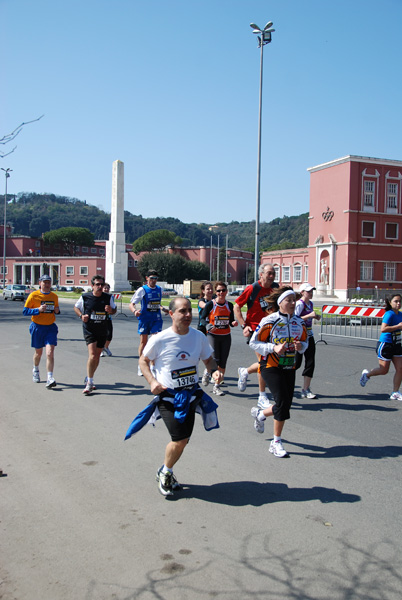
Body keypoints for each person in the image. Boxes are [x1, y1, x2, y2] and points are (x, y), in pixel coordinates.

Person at [124, 297, 222, 497]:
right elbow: (143, 361)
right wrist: (152, 381)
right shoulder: (160, 339)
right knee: (179, 439)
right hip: (168, 397)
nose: (187, 315)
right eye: (182, 311)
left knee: (184, 440)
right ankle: (165, 472)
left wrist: (214, 372)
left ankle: (165, 470)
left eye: (189, 311)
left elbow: (209, 360)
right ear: (171, 314)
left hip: (190, 395)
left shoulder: (198, 337)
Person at [249, 287, 308, 458]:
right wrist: (272, 347)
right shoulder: (269, 320)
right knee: (282, 401)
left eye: (293, 300)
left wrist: (300, 347)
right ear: (280, 303)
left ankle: (261, 414)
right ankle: (276, 442)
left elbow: (306, 343)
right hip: (270, 366)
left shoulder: (299, 322)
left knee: (285, 404)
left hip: (289, 366)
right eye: (288, 300)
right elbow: (254, 342)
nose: (292, 303)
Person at [234, 263, 277, 408]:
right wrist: (243, 325)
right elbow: (237, 306)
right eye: (269, 273)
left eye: (273, 273)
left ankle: (244, 371)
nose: (271, 276)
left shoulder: (275, 288)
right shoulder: (253, 288)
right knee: (264, 362)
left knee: (267, 361)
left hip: (271, 329)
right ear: (261, 275)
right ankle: (262, 395)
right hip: (255, 330)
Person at [74, 275, 117, 395]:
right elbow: (76, 307)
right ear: (92, 286)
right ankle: (89, 382)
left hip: (102, 329)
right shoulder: (85, 297)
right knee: (92, 355)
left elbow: (114, 310)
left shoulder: (108, 297)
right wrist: (81, 316)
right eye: (97, 284)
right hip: (90, 329)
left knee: (97, 356)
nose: (99, 287)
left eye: (101, 284)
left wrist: (110, 310)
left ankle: (89, 376)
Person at [360, 293, 402, 401]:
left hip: (397, 344)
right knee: (384, 370)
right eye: (396, 301)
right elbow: (383, 329)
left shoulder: (400, 314)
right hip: (386, 344)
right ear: (389, 302)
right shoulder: (389, 314)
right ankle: (367, 375)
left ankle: (395, 392)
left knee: (400, 368)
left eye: (400, 301)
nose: (398, 303)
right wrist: (398, 326)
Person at [200, 281, 238, 396]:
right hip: (213, 336)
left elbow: (230, 321)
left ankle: (217, 385)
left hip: (226, 336)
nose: (221, 293)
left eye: (223, 290)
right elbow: (202, 319)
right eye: (218, 291)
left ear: (226, 292)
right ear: (215, 292)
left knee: (223, 362)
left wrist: (233, 322)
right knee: (215, 359)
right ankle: (208, 372)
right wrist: (207, 325)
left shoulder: (229, 305)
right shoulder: (211, 305)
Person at [23, 274, 60, 388]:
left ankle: (50, 377)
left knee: (50, 352)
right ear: (40, 283)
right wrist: (37, 310)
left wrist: (57, 310)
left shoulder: (54, 296)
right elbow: (25, 311)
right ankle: (35, 369)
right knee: (39, 353)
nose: (47, 284)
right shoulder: (33, 295)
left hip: (50, 327)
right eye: (45, 282)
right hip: (37, 327)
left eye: (49, 282)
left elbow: (57, 310)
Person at [129, 270, 169, 376]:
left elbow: (157, 303)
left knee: (155, 341)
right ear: (147, 278)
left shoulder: (159, 289)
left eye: (155, 278)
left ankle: (153, 365)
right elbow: (131, 304)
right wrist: (135, 311)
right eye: (151, 278)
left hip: (156, 318)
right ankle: (141, 365)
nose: (154, 280)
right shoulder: (142, 290)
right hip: (144, 318)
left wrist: (163, 309)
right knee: (144, 342)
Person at [295, 283, 321, 399]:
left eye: (312, 291)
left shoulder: (310, 303)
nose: (311, 293)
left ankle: (306, 389)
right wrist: (309, 315)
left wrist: (315, 316)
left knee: (310, 362)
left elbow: (309, 316)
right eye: (308, 291)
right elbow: (294, 319)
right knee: (296, 363)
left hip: (309, 335)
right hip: (299, 337)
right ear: (302, 292)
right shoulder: (299, 304)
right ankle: (285, 385)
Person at [100, 282, 113, 357]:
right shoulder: (99, 296)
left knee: (109, 335)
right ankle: (101, 350)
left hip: (108, 318)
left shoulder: (111, 297)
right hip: (100, 318)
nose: (106, 289)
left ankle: (106, 347)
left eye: (107, 288)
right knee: (101, 335)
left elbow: (113, 307)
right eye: (105, 288)